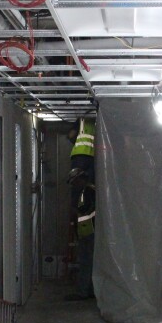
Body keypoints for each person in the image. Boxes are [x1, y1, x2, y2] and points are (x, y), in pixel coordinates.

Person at [65, 167, 95, 301]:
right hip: (87, 231)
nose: (74, 185)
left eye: (74, 182)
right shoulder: (87, 190)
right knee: (89, 262)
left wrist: (75, 210)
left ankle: (84, 291)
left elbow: (85, 209)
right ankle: (90, 290)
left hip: (89, 232)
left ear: (80, 179)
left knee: (86, 262)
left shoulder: (88, 191)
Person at [69, 117, 95, 182]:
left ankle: (77, 191)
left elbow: (71, 135)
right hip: (92, 156)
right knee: (89, 182)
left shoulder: (81, 119)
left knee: (76, 179)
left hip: (79, 154)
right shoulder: (99, 120)